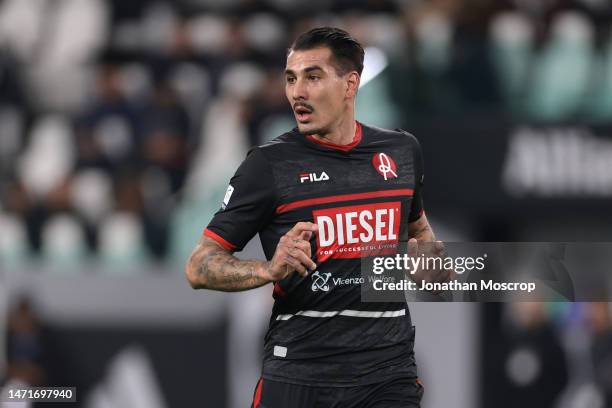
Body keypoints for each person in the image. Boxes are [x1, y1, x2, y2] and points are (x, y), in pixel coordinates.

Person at [186, 27, 447, 408]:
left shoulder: (402, 151)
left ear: (350, 84)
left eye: (313, 77)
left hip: (387, 374)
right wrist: (268, 270)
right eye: (291, 79)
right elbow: (199, 266)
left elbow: (423, 239)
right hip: (301, 374)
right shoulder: (269, 165)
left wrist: (433, 270)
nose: (297, 92)